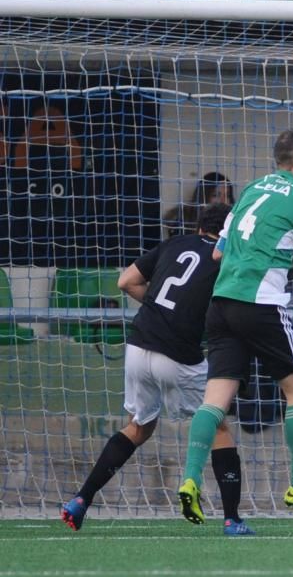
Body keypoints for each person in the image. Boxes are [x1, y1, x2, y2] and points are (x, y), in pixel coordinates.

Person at [60, 204, 255, 535]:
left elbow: (126, 281)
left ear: (198, 227)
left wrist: (160, 307)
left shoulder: (174, 243)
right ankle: (232, 519)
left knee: (138, 426)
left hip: (138, 346)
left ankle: (80, 500)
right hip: (177, 353)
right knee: (218, 426)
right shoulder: (226, 258)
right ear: (227, 232)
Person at [176, 127, 293, 524]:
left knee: (215, 399)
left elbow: (216, 251)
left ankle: (191, 479)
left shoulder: (251, 188)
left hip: (222, 302)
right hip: (261, 304)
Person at [164, 172, 235, 238]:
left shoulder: (232, 224)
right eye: (216, 195)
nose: (223, 200)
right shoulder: (183, 221)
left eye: (227, 195)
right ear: (203, 195)